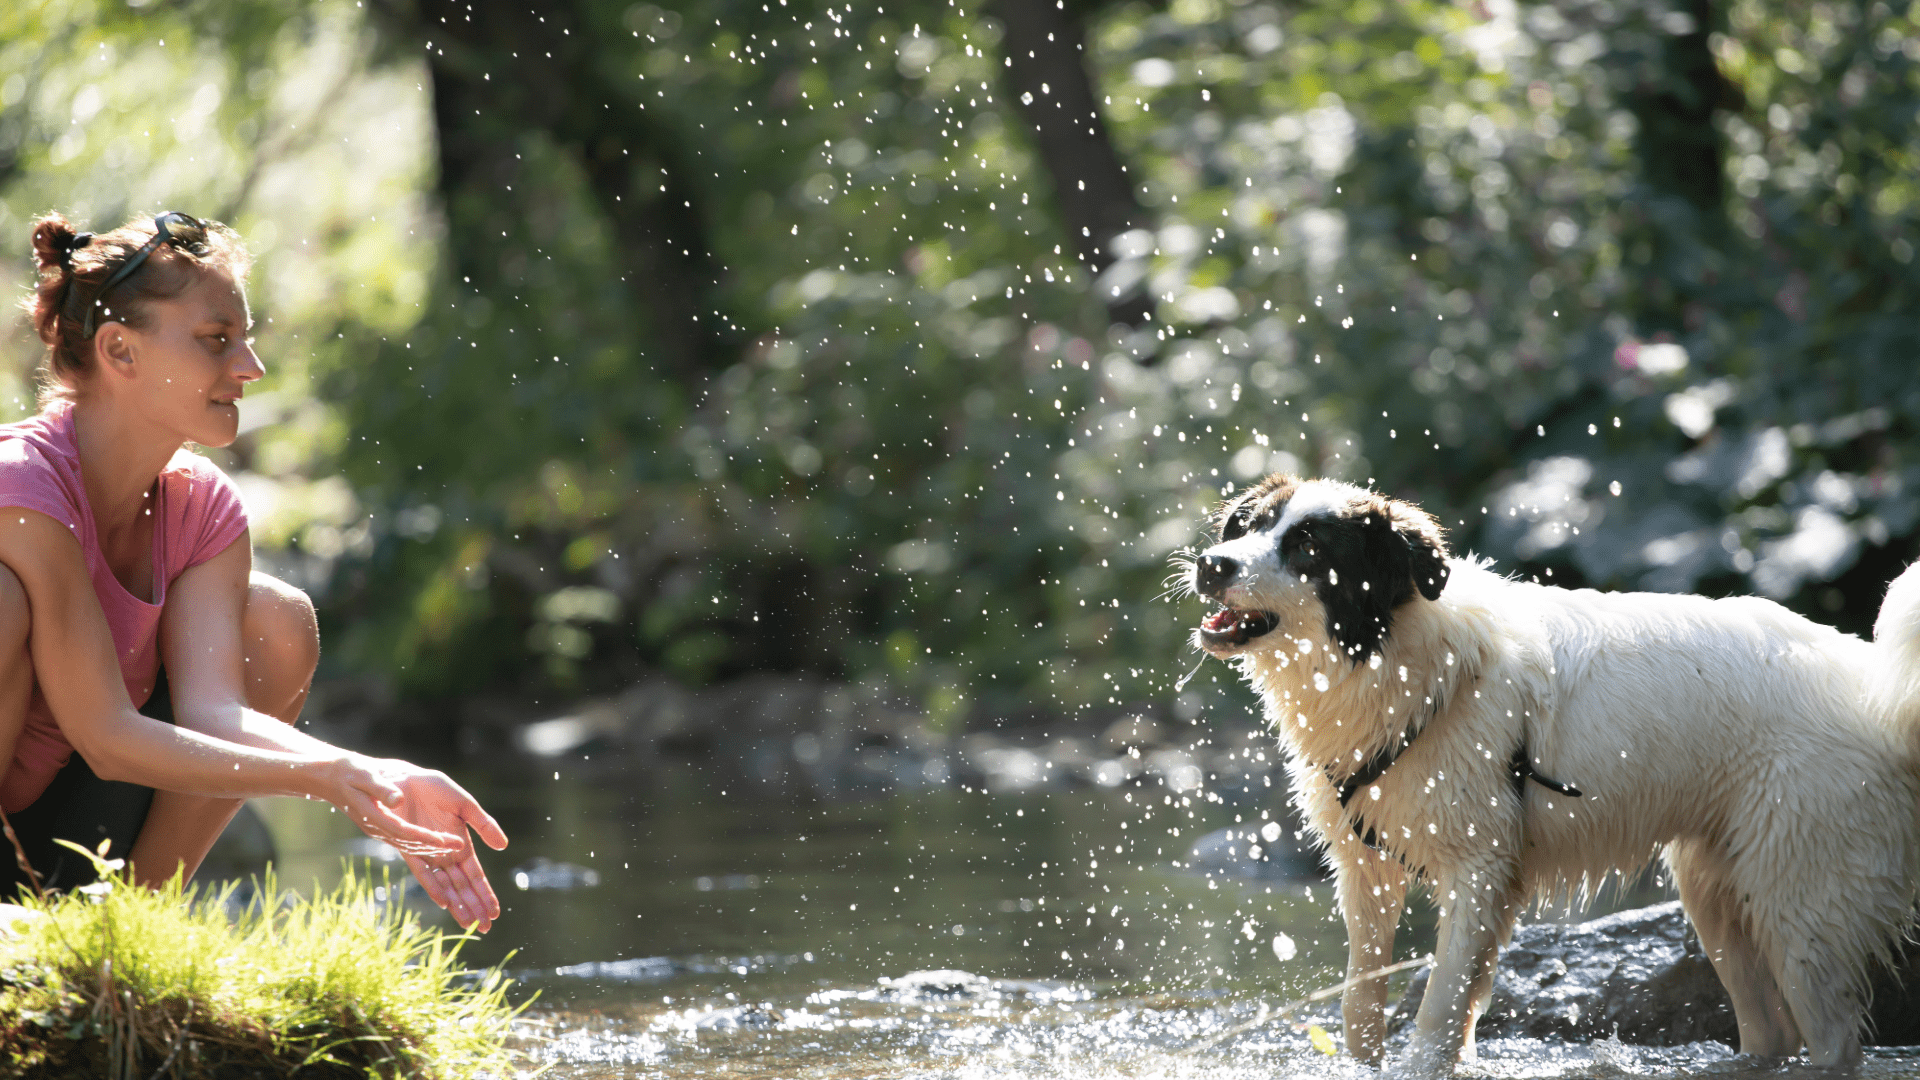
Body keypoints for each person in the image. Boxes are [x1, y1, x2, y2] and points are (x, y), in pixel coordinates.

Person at [4, 210, 506, 931]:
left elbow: (218, 716)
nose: (250, 367)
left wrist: (376, 777)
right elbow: (108, 737)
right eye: (216, 341)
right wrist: (333, 780)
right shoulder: (19, 487)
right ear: (119, 351)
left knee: (274, 622)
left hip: (74, 817)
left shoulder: (201, 504)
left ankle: (123, 933)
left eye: (244, 338)